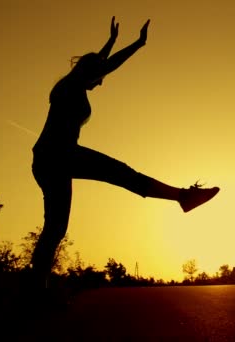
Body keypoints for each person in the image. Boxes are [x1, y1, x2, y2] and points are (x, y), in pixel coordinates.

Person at [30, 17, 220, 289]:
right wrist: (137, 44)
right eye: (100, 77)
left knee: (56, 228)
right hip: (58, 155)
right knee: (122, 174)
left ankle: (37, 288)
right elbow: (102, 65)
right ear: (92, 72)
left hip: (51, 160)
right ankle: (183, 196)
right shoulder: (70, 87)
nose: (101, 83)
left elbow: (97, 64)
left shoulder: (71, 84)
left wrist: (110, 42)